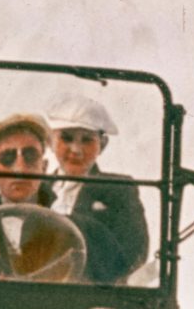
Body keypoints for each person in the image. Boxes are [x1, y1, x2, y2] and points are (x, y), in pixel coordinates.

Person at [43, 95, 150, 284]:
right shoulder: (36, 187)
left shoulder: (118, 189)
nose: (76, 150)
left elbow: (135, 251)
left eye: (87, 140)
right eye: (66, 139)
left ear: (103, 145)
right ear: (50, 142)